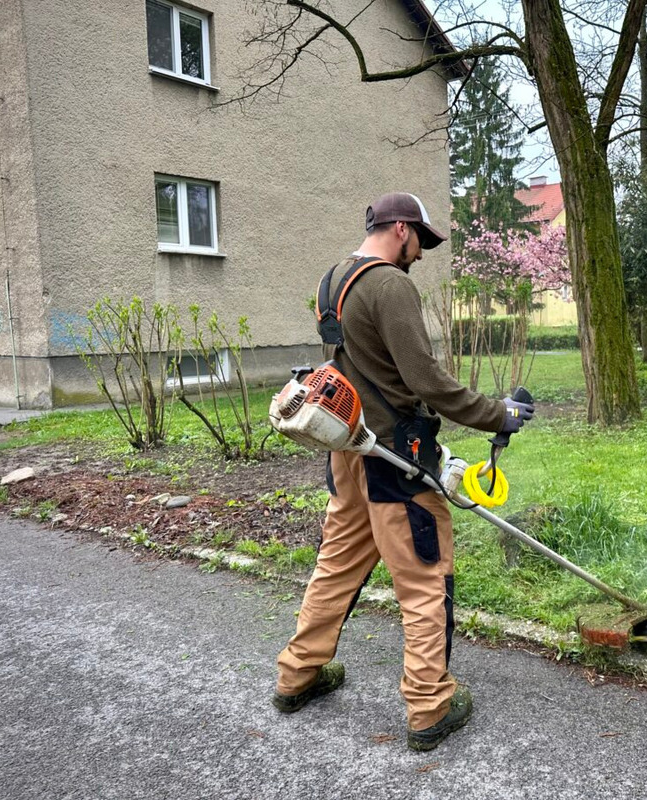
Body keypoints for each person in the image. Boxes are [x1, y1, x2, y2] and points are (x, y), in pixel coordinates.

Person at [272, 192, 535, 752]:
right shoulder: (389, 284)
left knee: (336, 569)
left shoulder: (332, 280)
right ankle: (429, 707)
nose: (420, 254)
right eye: (420, 242)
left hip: (347, 453)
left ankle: (297, 676)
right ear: (399, 230)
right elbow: (426, 379)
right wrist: (498, 413)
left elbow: (355, 370)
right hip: (395, 460)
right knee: (424, 580)